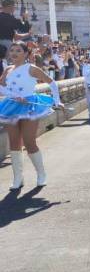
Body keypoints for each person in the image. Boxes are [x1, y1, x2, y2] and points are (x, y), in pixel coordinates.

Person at [0, 42, 63, 189]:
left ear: (26, 54)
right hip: (11, 106)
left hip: (29, 106)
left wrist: (57, 101)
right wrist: (13, 95)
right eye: (12, 50)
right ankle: (18, 178)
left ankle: (41, 174)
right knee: (14, 143)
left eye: (18, 50)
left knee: (29, 142)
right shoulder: (8, 69)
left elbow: (52, 83)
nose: (14, 53)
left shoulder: (31, 68)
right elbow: (1, 87)